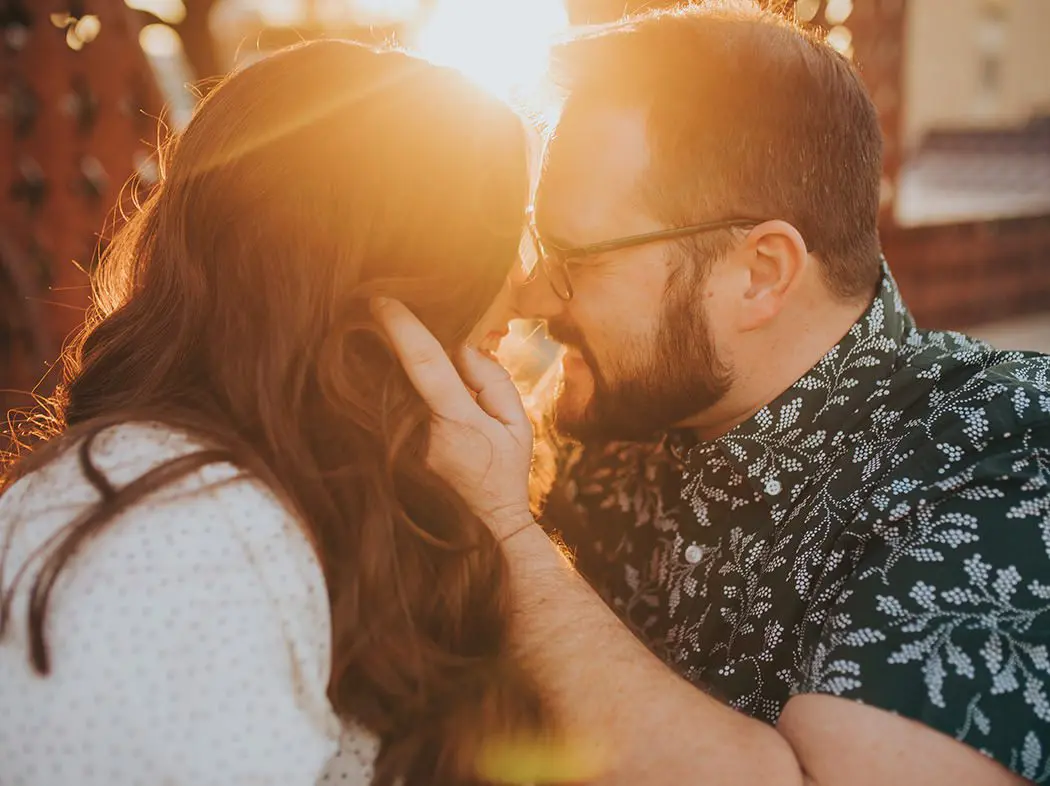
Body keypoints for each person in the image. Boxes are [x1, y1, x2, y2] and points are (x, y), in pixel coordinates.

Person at [374, 3, 1050, 785]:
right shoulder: (602, 427)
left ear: (760, 274)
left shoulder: (1004, 453)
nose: (533, 296)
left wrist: (503, 532)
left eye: (577, 259)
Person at [0, 40, 561, 786]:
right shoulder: (175, 535)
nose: (530, 289)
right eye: (506, 235)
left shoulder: (300, 495)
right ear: (387, 256)